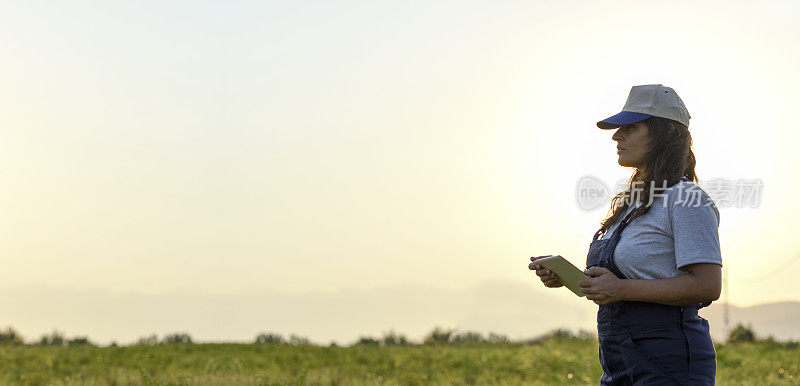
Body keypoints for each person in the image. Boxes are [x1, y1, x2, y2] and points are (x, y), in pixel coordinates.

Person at [528, 84, 722, 385]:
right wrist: (573, 279)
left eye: (630, 128)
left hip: (669, 362)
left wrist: (622, 290)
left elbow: (707, 285)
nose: (617, 136)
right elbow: (626, 281)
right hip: (618, 359)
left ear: (667, 132)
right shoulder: (630, 207)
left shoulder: (686, 198)